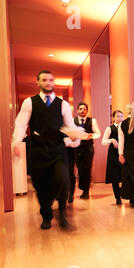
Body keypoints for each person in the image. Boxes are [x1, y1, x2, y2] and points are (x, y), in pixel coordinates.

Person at [12, 70, 81, 230]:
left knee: (63, 179)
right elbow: (21, 124)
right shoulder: (30, 102)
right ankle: (46, 215)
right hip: (38, 148)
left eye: (51, 80)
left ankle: (62, 213)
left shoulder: (62, 104)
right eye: (44, 80)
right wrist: (16, 142)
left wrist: (75, 137)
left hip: (58, 148)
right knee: (41, 184)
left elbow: (69, 126)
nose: (48, 83)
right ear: (38, 82)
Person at [70, 102, 101, 200]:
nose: (82, 110)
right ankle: (75, 190)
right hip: (76, 148)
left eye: (84, 109)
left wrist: (91, 136)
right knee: (78, 169)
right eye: (80, 109)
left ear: (87, 110)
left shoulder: (92, 121)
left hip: (88, 148)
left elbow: (98, 133)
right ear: (77, 110)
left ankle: (86, 191)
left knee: (86, 169)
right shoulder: (72, 120)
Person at [102, 110, 124, 205]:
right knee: (115, 178)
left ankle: (122, 192)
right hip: (113, 155)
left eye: (121, 116)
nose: (120, 118)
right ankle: (118, 198)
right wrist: (111, 140)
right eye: (118, 116)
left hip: (123, 154)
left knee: (124, 176)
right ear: (113, 118)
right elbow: (103, 142)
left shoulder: (124, 127)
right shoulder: (109, 128)